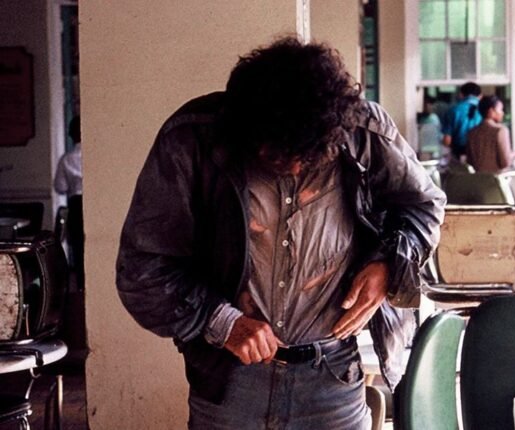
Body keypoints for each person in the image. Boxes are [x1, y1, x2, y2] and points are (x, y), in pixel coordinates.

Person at [115, 37, 445, 429]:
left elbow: (424, 206)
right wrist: (222, 322)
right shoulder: (191, 140)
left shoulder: (360, 131)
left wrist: (389, 264)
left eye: (306, 158)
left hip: (334, 376)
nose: (292, 168)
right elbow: (142, 269)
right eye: (274, 155)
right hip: (230, 382)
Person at [54, 115, 84, 287]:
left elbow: (60, 186)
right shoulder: (96, 156)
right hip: (94, 205)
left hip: (76, 204)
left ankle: (81, 286)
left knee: (78, 247)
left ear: (71, 135)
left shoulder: (66, 159)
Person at [465, 95, 513, 174]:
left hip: (477, 179)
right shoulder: (500, 131)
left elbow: (469, 162)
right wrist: (513, 155)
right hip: (496, 179)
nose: (502, 113)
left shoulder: (472, 132)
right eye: (500, 109)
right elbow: (505, 162)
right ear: (491, 111)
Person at [442, 81, 482, 162]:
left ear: (461, 94)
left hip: (458, 154)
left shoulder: (453, 111)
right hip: (480, 152)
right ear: (480, 96)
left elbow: (447, 140)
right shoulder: (484, 110)